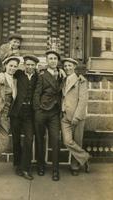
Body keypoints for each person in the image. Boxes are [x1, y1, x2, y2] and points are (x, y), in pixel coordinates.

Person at [33, 50, 62, 181]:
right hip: (42, 111)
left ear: (58, 61)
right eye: (50, 58)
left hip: (55, 112)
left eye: (55, 58)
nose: (53, 61)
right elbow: (36, 94)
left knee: (55, 140)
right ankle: (41, 166)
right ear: (46, 61)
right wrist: (37, 110)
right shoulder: (42, 75)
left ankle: (55, 170)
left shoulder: (62, 74)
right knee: (40, 139)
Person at [9, 55, 39, 180]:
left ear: (35, 66)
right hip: (17, 111)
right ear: (24, 65)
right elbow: (6, 71)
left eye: (32, 65)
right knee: (16, 140)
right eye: (28, 64)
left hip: (30, 113)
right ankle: (18, 165)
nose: (30, 67)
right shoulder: (19, 74)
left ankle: (26, 168)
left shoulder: (38, 77)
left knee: (28, 139)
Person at [61, 58, 90, 176]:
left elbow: (83, 100)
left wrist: (77, 117)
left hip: (76, 116)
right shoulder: (63, 80)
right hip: (64, 116)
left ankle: (75, 166)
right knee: (67, 141)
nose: (67, 68)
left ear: (74, 67)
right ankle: (86, 157)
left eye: (70, 65)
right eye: (65, 66)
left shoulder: (81, 81)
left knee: (77, 141)